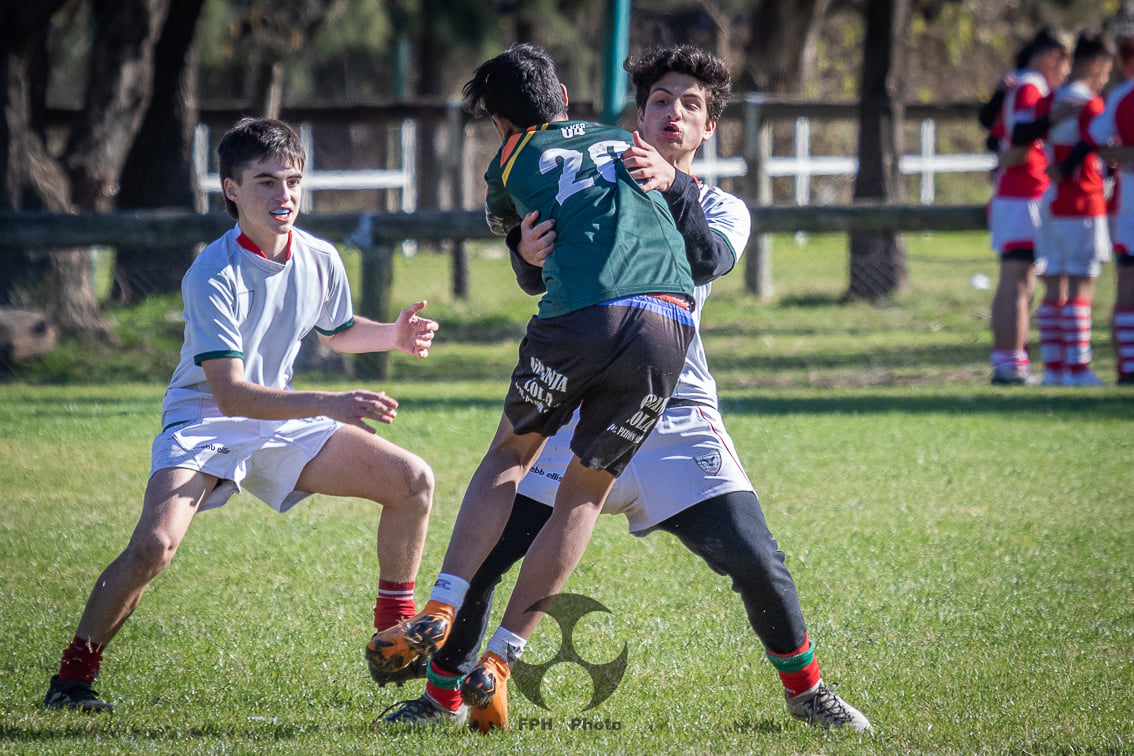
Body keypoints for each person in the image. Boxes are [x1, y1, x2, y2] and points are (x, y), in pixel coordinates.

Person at [377, 45, 871, 734]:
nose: (674, 112)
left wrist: (671, 186)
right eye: (662, 100)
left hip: (675, 409)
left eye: (690, 105)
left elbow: (704, 257)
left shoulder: (722, 205)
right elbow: (539, 273)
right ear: (640, 113)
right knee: (488, 553)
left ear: (708, 131)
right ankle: (442, 699)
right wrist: (526, 249)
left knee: (756, 560)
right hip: (583, 399)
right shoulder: (602, 170)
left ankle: (808, 692)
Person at [43, 117, 439, 713]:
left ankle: (394, 635)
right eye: (265, 183)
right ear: (231, 189)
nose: (283, 196)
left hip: (280, 416)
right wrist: (330, 405)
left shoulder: (320, 257)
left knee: (412, 481)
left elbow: (337, 332)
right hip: (204, 418)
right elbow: (230, 395)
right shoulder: (212, 272)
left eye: (293, 181)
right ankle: (73, 678)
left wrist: (394, 336)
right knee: (153, 545)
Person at [366, 43, 700, 732]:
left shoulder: (508, 160)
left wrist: (519, 242)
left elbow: (522, 236)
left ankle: (442, 604)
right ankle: (502, 660)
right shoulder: (625, 139)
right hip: (671, 324)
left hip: (585, 314)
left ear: (496, 122)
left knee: (509, 457)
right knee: (584, 492)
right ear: (566, 98)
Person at [986, 28, 1073, 385]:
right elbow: (1020, 139)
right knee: (1018, 280)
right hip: (1023, 194)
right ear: (1055, 56)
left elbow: (995, 137)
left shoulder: (1019, 84)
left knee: (1018, 279)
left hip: (1016, 194)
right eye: (1067, 66)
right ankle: (1010, 365)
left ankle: (1010, 360)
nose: (1066, 75)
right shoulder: (1030, 86)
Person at [1034, 33, 1114, 387]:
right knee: (1082, 284)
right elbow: (1101, 148)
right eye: (1107, 70)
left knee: (1053, 285)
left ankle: (1054, 369)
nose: (1107, 79)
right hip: (1082, 201)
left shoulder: (1053, 101)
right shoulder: (1091, 105)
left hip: (1050, 201)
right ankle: (1078, 369)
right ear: (1097, 64)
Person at [1082, 25, 1134, 384]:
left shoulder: (1122, 95)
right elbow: (1096, 141)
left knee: (1127, 284)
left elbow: (1094, 140)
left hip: (1128, 200)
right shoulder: (1124, 96)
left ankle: (1128, 368)